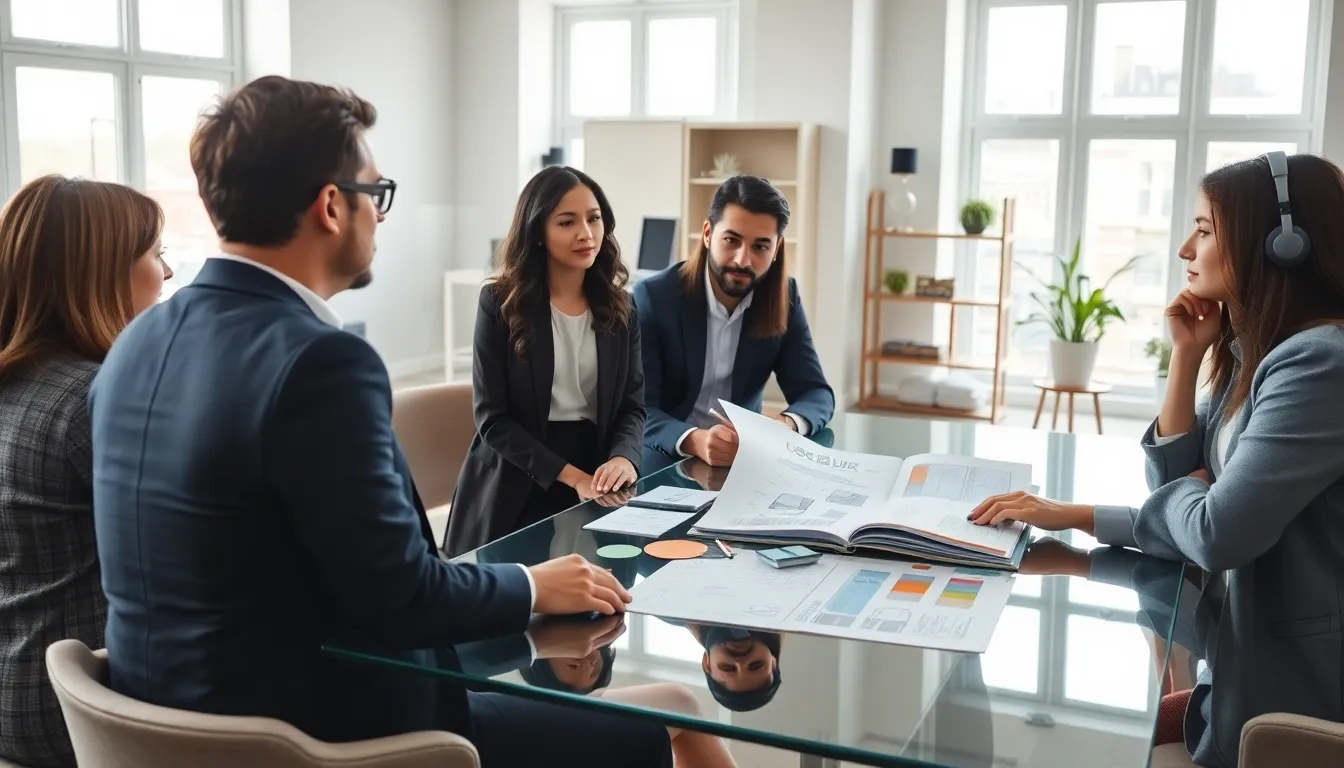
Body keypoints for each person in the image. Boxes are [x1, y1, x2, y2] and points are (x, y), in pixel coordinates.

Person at [89, 75, 731, 768]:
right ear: (332, 206)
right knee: (678, 710)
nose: (381, 215)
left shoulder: (135, 344)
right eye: (376, 193)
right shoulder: (321, 363)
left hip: (181, 726)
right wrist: (535, 585)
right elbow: (406, 596)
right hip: (344, 737)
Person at [968, 151, 1344, 768]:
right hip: (1231, 675)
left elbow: (1217, 533)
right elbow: (1180, 493)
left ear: (1281, 242)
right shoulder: (1257, 351)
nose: (1183, 250)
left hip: (1290, 702)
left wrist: (1198, 499)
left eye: (1203, 228)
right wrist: (1186, 357)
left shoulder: (1319, 362)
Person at [0, 175, 169, 767]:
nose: (167, 274)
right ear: (103, 272)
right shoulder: (92, 399)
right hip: (78, 711)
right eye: (156, 254)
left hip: (14, 688)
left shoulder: (22, 382)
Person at [444, 166, 645, 556]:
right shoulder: (500, 304)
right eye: (567, 222)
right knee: (518, 605)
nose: (586, 234)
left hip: (598, 468)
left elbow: (632, 407)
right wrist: (573, 479)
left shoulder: (623, 307)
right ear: (538, 232)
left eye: (594, 218)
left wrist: (624, 457)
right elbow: (493, 420)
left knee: (605, 600)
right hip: (519, 473)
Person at [634, 175, 834, 473]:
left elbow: (816, 393)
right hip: (665, 454)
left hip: (744, 459)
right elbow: (639, 409)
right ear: (707, 234)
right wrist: (695, 440)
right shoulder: (653, 297)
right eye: (732, 240)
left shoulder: (784, 297)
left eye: (760, 247)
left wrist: (786, 426)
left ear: (777, 249)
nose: (743, 260)